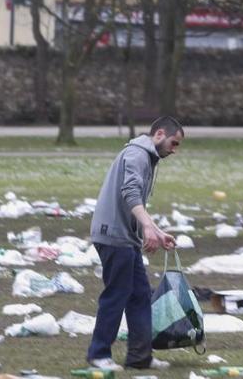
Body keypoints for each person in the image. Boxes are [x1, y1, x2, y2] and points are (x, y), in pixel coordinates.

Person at [86, 116, 184, 371]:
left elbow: (136, 204)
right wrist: (148, 227)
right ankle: (98, 354)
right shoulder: (137, 155)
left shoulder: (148, 158)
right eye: (174, 143)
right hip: (113, 235)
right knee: (116, 294)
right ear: (160, 134)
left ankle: (140, 357)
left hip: (126, 237)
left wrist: (156, 231)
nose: (174, 150)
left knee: (140, 296)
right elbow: (129, 193)